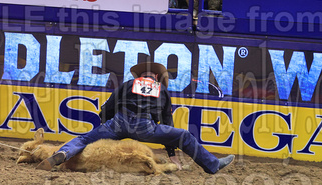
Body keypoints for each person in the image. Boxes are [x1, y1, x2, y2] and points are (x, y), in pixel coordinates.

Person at [37, 62, 235, 174]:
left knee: (83, 139)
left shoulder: (127, 84)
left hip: (118, 122)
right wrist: (171, 151)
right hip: (145, 126)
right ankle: (213, 165)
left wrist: (107, 126)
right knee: (184, 135)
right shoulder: (162, 90)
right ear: (156, 77)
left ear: (140, 75)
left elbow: (107, 108)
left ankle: (63, 154)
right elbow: (167, 122)